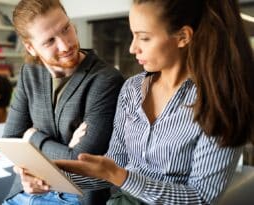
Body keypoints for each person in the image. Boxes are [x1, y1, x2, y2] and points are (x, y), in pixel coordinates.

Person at [60, 0, 251, 204]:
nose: (133, 48)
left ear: (182, 37)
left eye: (144, 38)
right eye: (133, 35)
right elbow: (114, 165)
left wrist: (122, 177)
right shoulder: (132, 90)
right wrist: (56, 177)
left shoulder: (219, 104)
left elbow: (201, 198)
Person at [2, 0, 125, 204]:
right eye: (50, 41)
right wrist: (26, 172)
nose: (66, 44)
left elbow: (81, 161)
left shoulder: (106, 80)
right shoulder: (29, 73)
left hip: (75, 195)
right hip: (28, 188)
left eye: (66, 28)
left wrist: (32, 137)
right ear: (31, 48)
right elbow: (11, 141)